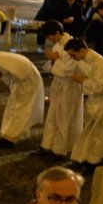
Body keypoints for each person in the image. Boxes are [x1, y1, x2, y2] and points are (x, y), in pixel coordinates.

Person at [64, 38, 103, 169]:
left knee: (98, 136)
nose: (73, 58)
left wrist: (83, 81)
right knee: (91, 133)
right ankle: (84, 159)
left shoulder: (98, 62)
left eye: (74, 55)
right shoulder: (84, 60)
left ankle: (92, 163)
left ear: (82, 50)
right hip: (95, 101)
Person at [39, 22, 83, 157]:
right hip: (58, 84)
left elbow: (71, 69)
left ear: (57, 33)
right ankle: (48, 144)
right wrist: (53, 60)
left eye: (49, 37)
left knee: (64, 117)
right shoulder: (58, 44)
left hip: (69, 85)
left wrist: (54, 60)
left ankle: (60, 149)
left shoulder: (71, 44)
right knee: (53, 115)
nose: (49, 40)